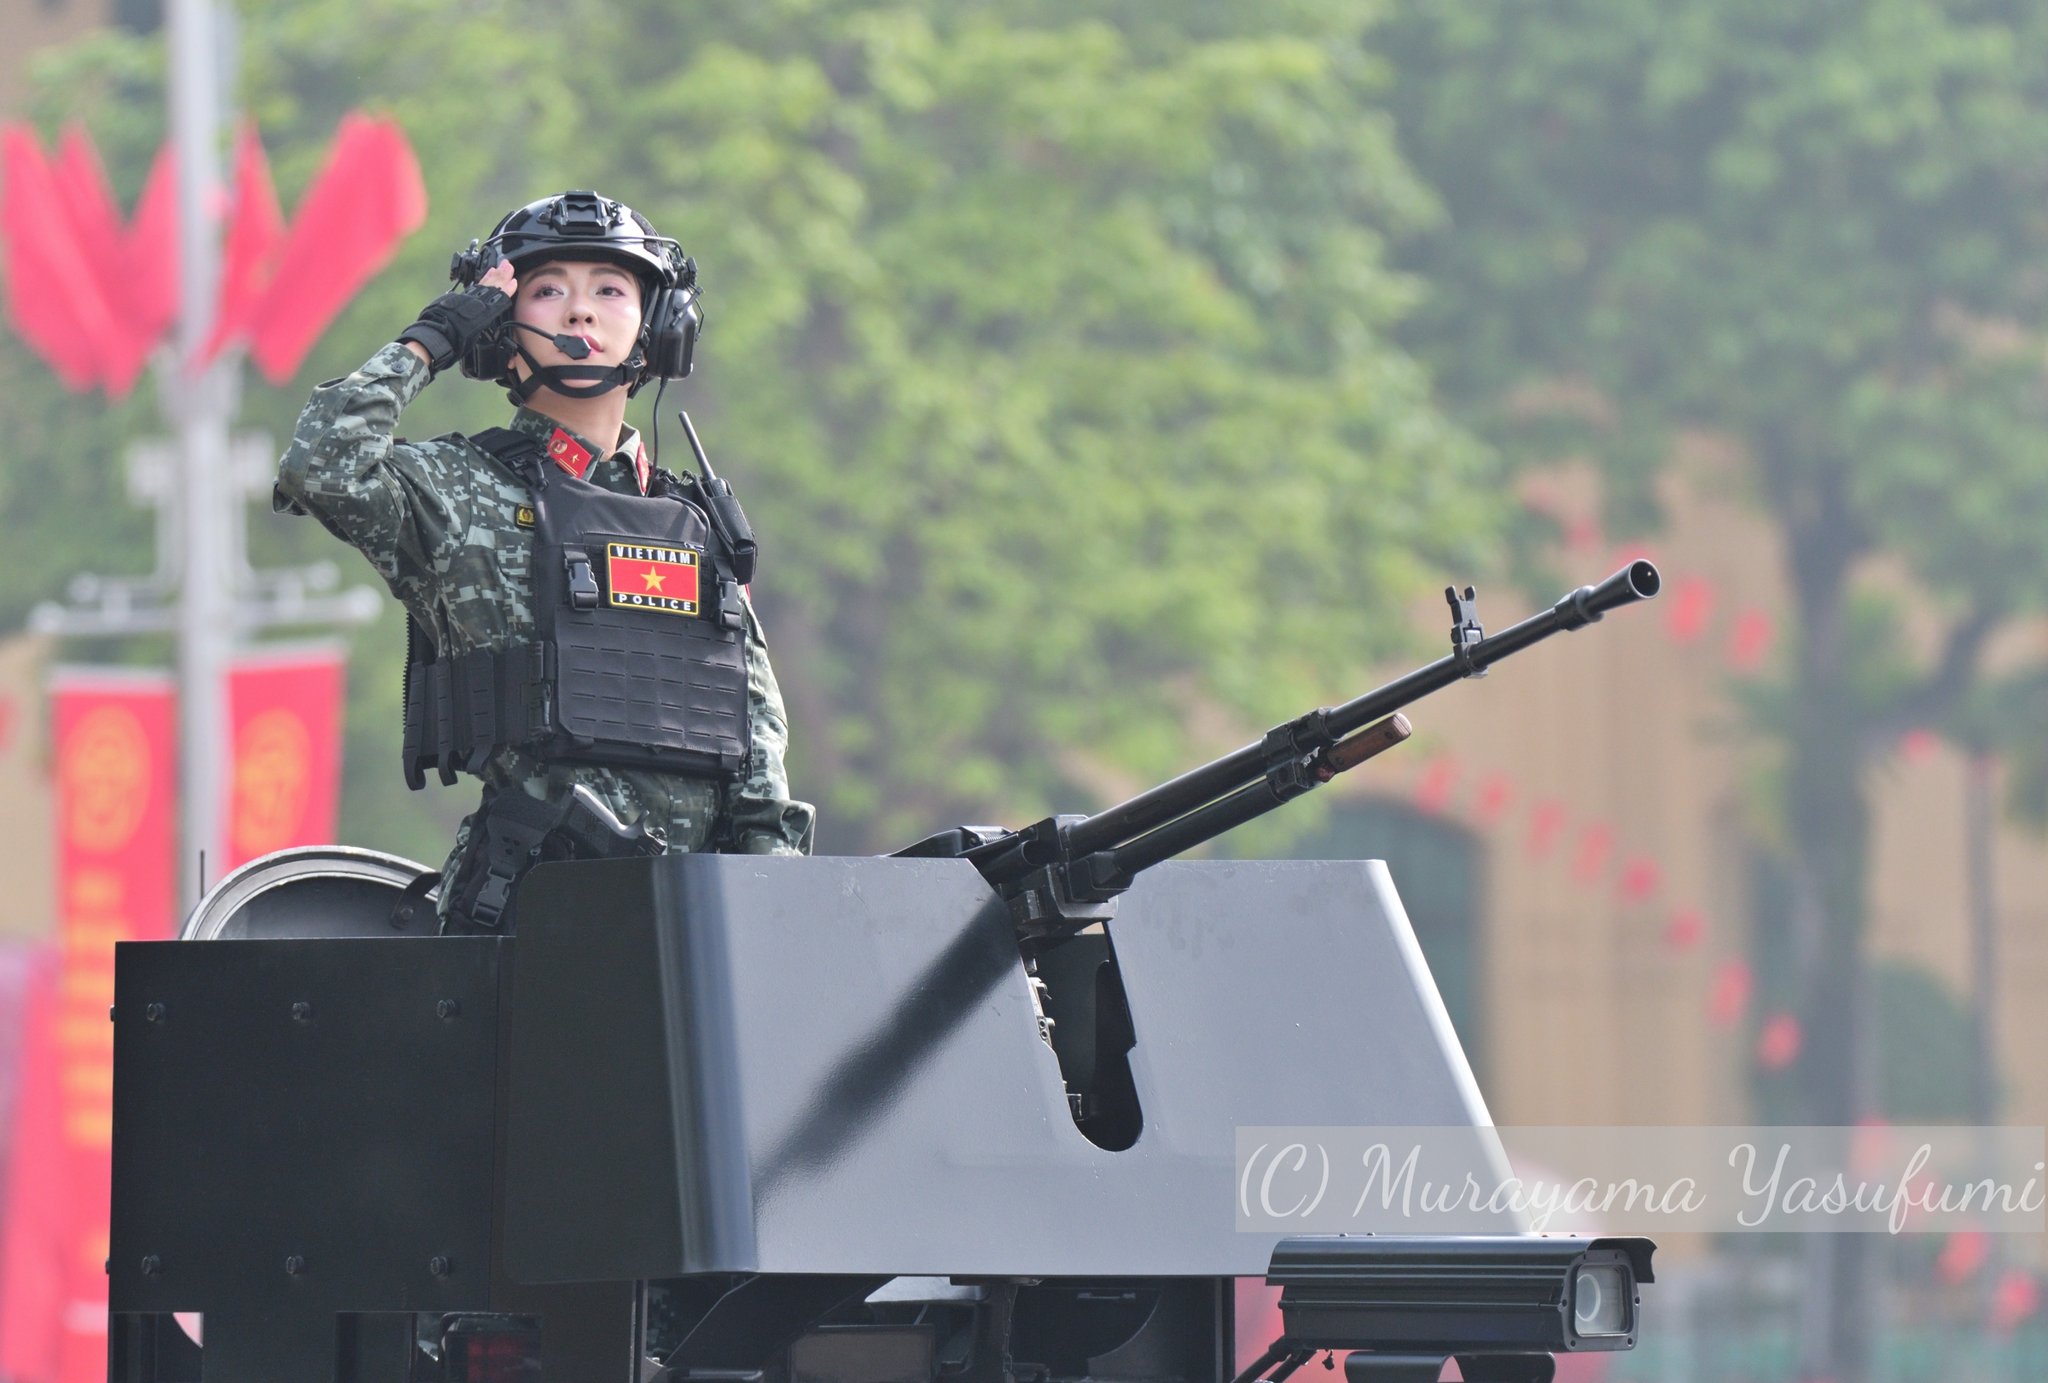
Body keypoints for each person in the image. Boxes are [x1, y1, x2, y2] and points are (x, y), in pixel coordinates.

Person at [276, 189, 813, 932]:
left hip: (698, 931)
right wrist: (432, 339)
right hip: (524, 922)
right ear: (500, 324)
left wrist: (770, 923)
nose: (580, 312)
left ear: (659, 324)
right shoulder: (458, 492)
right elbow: (321, 466)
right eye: (548, 290)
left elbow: (759, 768)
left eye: (610, 290)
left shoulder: (699, 524)